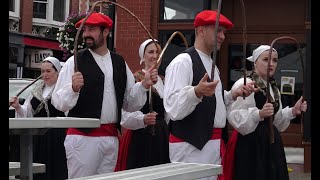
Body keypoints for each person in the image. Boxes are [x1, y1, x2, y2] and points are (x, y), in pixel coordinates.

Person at [51, 12, 158, 179]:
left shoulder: (119, 62)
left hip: (111, 139)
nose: (86, 34)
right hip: (82, 139)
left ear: (106, 32)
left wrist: (143, 85)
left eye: (92, 29)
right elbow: (58, 102)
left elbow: (129, 103)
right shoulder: (75, 61)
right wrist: (73, 88)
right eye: (84, 30)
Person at [163, 10, 257, 180]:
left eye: (224, 32)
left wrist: (232, 95)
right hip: (190, 147)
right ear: (200, 30)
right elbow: (173, 108)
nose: (222, 36)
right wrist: (196, 91)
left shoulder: (213, 65)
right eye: (218, 31)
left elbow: (214, 103)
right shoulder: (183, 62)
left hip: (212, 145)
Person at [223, 45, 308, 180]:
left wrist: (293, 111)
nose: (271, 64)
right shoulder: (246, 83)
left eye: (275, 60)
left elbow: (276, 120)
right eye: (265, 59)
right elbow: (235, 116)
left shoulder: (272, 86)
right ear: (255, 62)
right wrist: (258, 114)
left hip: (270, 142)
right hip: (250, 143)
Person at [115, 39, 170, 171]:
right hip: (141, 136)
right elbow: (125, 113)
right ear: (143, 56)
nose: (155, 56)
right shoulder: (136, 78)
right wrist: (143, 119)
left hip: (161, 136)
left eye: (158, 52)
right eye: (151, 52)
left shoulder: (163, 81)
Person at [9, 56, 67, 180]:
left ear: (57, 72)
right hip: (37, 136)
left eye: (48, 71)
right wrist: (18, 106)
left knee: (53, 169)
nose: (44, 74)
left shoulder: (62, 90)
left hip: (56, 137)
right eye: (42, 71)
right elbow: (28, 112)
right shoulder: (36, 90)